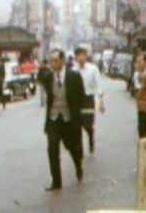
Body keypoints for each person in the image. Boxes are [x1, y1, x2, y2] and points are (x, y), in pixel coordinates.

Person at [44, 48, 86, 191]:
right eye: (51, 61)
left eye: (55, 61)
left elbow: (81, 96)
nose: (53, 64)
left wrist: (77, 115)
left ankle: (78, 167)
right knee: (52, 148)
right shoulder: (49, 77)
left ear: (62, 61)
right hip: (54, 119)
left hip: (69, 120)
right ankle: (56, 182)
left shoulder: (74, 76)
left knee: (72, 148)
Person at [73, 47, 105, 154]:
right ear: (76, 58)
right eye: (78, 55)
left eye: (83, 55)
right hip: (77, 101)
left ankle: (91, 137)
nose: (81, 58)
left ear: (86, 56)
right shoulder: (73, 70)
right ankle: (79, 148)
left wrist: (101, 102)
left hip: (88, 100)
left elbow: (99, 85)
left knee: (88, 125)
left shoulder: (93, 69)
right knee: (77, 125)